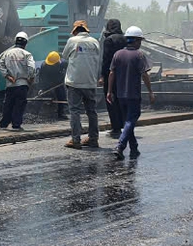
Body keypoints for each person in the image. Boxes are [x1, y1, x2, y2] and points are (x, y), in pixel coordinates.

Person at [107, 26, 156, 160]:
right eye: (140, 40)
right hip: (133, 95)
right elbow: (145, 75)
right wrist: (151, 91)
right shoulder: (139, 55)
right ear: (136, 41)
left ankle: (134, 148)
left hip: (120, 95)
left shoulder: (117, 54)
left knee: (128, 122)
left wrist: (109, 91)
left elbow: (112, 73)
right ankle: (120, 146)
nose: (140, 43)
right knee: (130, 120)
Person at [62, 20, 102, 149]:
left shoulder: (72, 41)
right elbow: (98, 60)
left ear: (75, 31)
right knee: (92, 111)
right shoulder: (95, 42)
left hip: (74, 82)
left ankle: (76, 140)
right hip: (90, 82)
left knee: (75, 111)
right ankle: (93, 139)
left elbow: (65, 56)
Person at [0, 31, 35, 131]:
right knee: (19, 105)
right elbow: (32, 68)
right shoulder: (27, 54)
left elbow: (0, 65)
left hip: (10, 84)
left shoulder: (7, 53)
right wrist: (30, 79)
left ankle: (3, 125)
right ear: (26, 43)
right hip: (22, 84)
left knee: (8, 105)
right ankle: (16, 125)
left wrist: (7, 76)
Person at [99, 19, 126, 137]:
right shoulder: (125, 38)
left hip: (111, 74)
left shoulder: (109, 40)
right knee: (122, 99)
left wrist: (102, 76)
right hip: (124, 74)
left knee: (110, 100)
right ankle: (125, 124)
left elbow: (106, 60)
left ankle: (116, 127)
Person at [37, 51, 68, 120]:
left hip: (59, 82)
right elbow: (41, 77)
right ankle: (42, 112)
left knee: (62, 97)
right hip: (48, 82)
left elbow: (69, 71)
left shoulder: (63, 63)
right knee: (45, 97)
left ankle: (61, 113)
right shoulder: (44, 65)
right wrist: (41, 88)